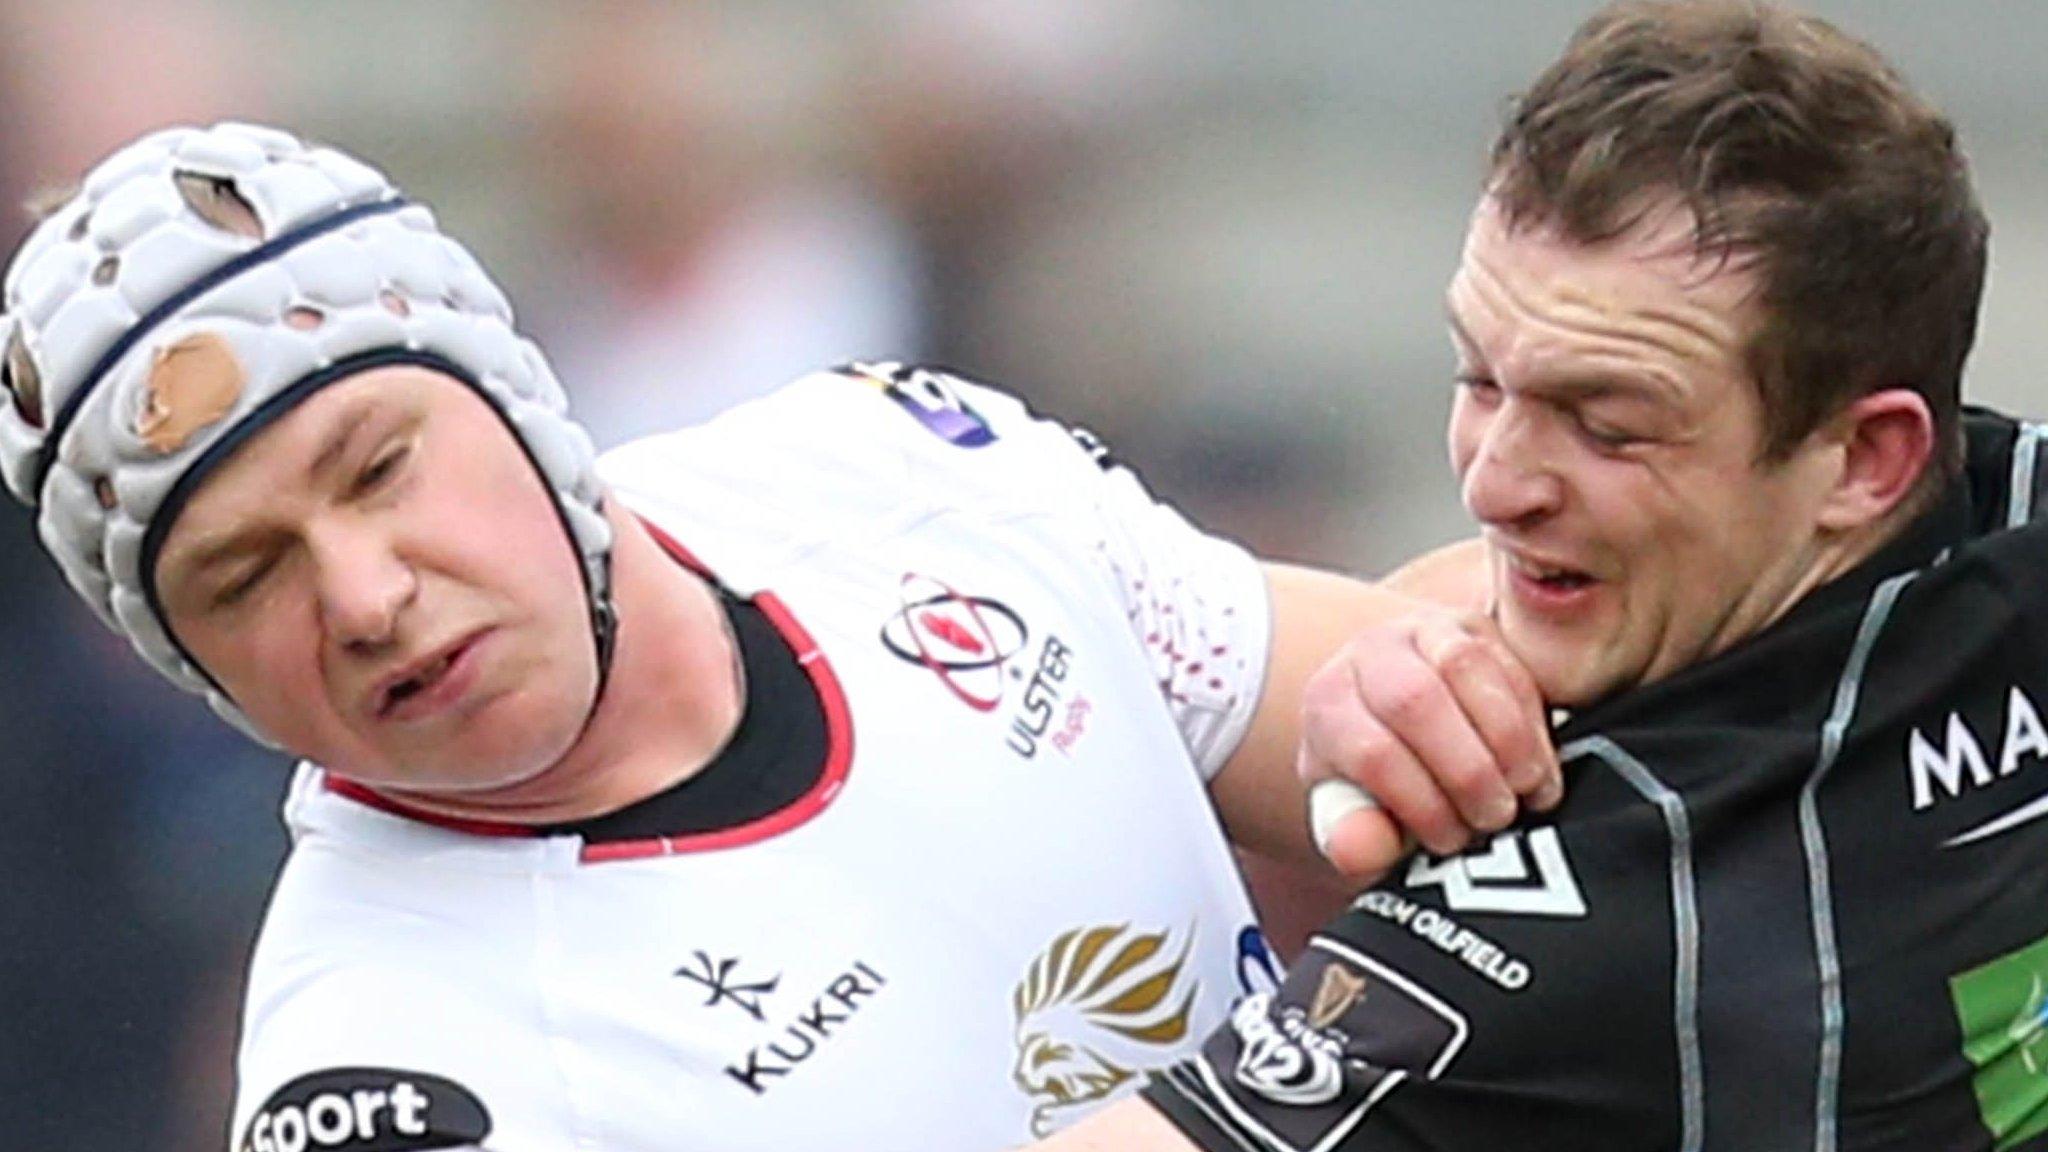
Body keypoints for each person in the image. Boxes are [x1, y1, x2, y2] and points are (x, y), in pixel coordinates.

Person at [0, 124, 1545, 1149]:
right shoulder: (392, 1080)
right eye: (244, 577)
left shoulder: (879, 459)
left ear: (517, 393)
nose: (362, 596)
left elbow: (1412, 724)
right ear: (190, 674)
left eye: (380, 466)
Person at [1034, 2, 2048, 1150]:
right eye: (1477, 380)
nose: (1495, 479)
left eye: (1606, 425)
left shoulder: (1599, 920)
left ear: (1865, 459)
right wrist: (1412, 627)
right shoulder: (1998, 515)